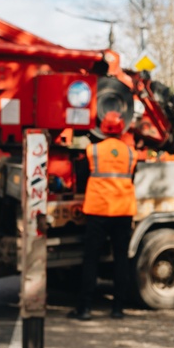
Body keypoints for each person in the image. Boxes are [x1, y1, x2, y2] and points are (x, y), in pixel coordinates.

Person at [68, 111, 137, 320]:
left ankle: (85, 308)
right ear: (122, 129)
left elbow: (81, 175)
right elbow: (132, 177)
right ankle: (118, 308)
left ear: (103, 129)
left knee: (91, 259)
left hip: (98, 211)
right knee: (121, 259)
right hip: (123, 211)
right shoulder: (130, 153)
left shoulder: (93, 150)